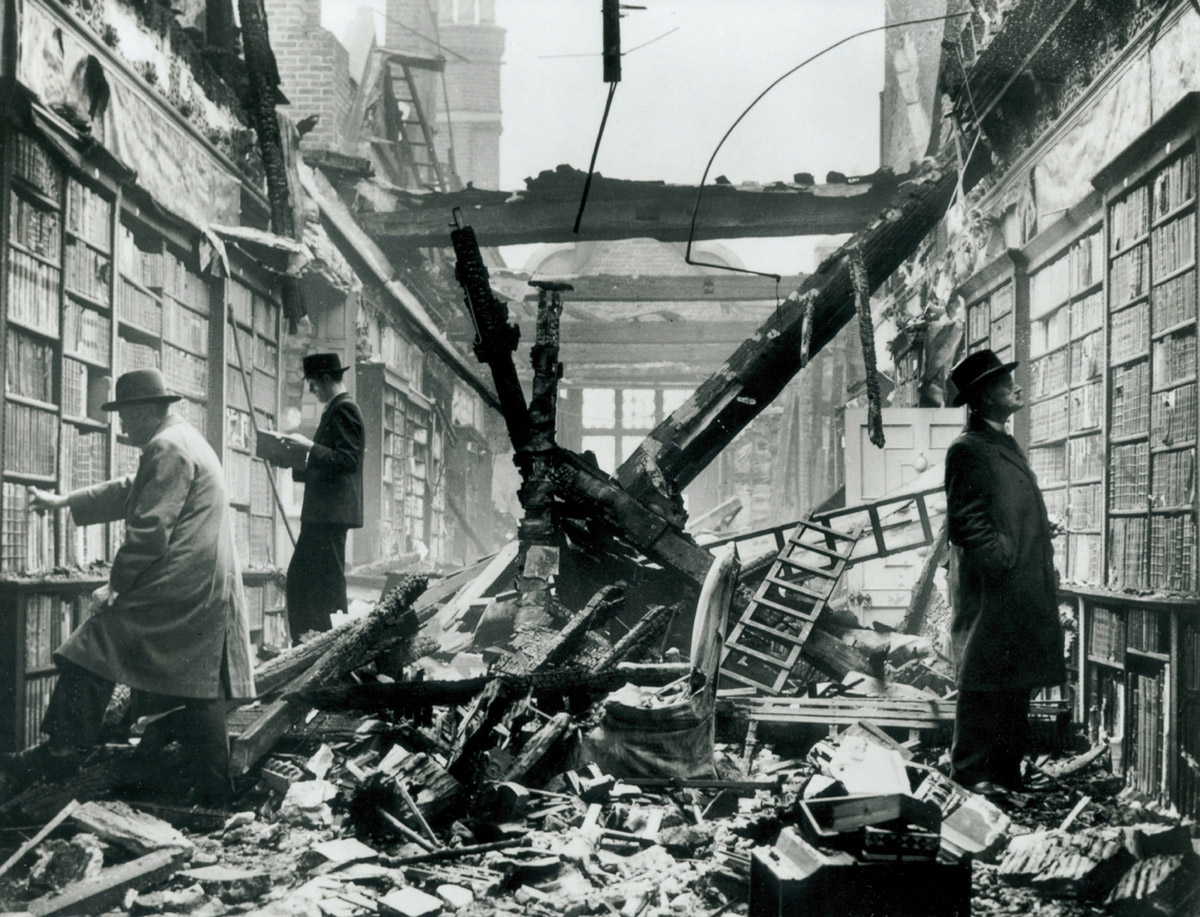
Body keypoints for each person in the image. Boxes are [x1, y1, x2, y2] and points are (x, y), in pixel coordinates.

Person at [0, 369, 256, 806]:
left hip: (182, 584)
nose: (121, 425)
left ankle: (61, 751)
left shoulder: (167, 446)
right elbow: (131, 489)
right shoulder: (180, 438)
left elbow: (150, 529)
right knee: (200, 681)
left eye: (124, 414)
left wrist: (114, 587)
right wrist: (66, 501)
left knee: (94, 643)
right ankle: (217, 794)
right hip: (205, 585)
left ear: (144, 410)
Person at [943, 349, 1065, 795]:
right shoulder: (967, 449)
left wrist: (1027, 531)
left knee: (1013, 682)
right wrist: (1003, 557)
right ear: (981, 399)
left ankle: (1006, 776)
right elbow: (967, 520)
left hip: (1016, 585)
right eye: (1001, 383)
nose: (1014, 386)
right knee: (982, 683)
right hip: (993, 589)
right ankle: (972, 777)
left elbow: (999, 508)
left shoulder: (1000, 443)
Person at [275, 353, 364, 643]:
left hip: (330, 515)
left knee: (322, 585)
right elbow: (331, 463)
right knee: (306, 582)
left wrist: (310, 447)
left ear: (326, 378)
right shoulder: (335, 409)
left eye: (313, 384)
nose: (312, 390)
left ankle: (327, 644)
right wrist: (292, 458)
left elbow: (348, 460)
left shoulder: (345, 409)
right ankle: (310, 643)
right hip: (324, 514)